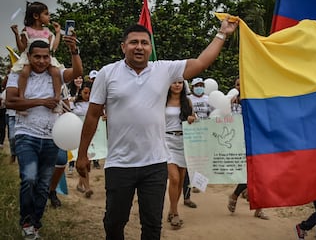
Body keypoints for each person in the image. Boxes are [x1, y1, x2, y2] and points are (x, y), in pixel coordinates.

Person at [76, 18, 238, 240]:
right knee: (114, 222)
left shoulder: (164, 70)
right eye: (133, 42)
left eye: (144, 42)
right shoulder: (107, 73)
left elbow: (200, 63)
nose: (139, 47)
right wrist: (82, 154)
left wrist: (222, 34)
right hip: (119, 164)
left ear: (150, 47)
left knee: (152, 225)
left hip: (154, 164)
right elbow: (93, 115)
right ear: (123, 47)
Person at [5, 35, 82, 239]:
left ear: (50, 57)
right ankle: (26, 220)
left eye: (45, 57)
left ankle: (34, 225)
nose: (41, 61)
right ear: (29, 57)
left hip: (51, 138)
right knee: (29, 178)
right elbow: (11, 102)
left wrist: (74, 51)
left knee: (44, 184)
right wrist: (40, 102)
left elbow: (78, 72)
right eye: (37, 57)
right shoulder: (18, 74)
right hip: (26, 135)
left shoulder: (55, 73)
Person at [227, 77, 269, 220]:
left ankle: (259, 209)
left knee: (261, 174)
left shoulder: (255, 101)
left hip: (257, 140)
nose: (240, 86)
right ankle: (235, 195)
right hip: (241, 143)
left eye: (242, 84)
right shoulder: (233, 102)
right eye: (237, 84)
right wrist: (229, 105)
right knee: (249, 174)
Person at [10, 1, 64, 113]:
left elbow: (53, 47)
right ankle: (22, 99)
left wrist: (58, 33)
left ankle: (57, 98)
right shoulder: (27, 30)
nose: (49, 16)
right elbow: (21, 48)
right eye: (46, 14)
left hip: (44, 57)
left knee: (55, 72)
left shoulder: (47, 31)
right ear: (36, 16)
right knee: (25, 72)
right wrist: (16, 35)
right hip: (29, 58)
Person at [165, 80, 196, 229]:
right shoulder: (162, 100)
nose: (177, 85)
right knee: (174, 178)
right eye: (173, 82)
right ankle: (176, 213)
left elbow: (193, 119)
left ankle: (172, 209)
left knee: (182, 177)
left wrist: (192, 119)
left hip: (184, 142)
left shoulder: (187, 101)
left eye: (180, 82)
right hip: (166, 141)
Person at [182, 77, 212, 207]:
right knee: (189, 162)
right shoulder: (188, 100)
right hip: (191, 135)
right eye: (197, 85)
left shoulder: (208, 99)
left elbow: (213, 115)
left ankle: (198, 183)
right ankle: (187, 195)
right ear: (192, 87)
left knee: (202, 160)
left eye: (201, 85)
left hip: (204, 135)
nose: (199, 87)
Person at [72, 81, 94, 198]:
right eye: (85, 93)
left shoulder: (94, 104)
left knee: (87, 161)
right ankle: (87, 188)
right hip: (78, 135)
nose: (88, 95)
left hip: (92, 136)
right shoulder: (74, 104)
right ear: (80, 93)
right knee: (82, 160)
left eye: (90, 93)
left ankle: (81, 185)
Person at [66, 75, 84, 175]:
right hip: (73, 120)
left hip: (84, 120)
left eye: (80, 78)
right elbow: (69, 106)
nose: (78, 80)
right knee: (73, 143)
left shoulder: (86, 90)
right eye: (76, 78)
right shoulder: (68, 91)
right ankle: (71, 164)